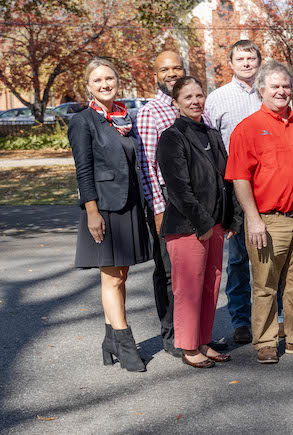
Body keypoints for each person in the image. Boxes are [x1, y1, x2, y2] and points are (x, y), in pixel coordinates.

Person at [225, 61, 293, 364]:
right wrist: (253, 219)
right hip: (268, 220)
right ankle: (266, 340)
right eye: (275, 86)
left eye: (286, 86)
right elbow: (240, 179)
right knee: (265, 284)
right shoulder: (247, 129)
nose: (282, 91)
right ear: (262, 89)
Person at [69, 57, 152, 372]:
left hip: (129, 204)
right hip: (102, 207)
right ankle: (125, 341)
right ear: (88, 86)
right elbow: (83, 170)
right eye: (97, 80)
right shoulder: (83, 120)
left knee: (121, 275)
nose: (104, 85)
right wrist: (91, 211)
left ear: (117, 81)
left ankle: (109, 340)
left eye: (109, 79)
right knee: (112, 277)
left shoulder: (124, 118)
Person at [156, 77, 240, 368]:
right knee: (189, 288)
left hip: (215, 224)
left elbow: (225, 179)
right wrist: (203, 223)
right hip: (187, 227)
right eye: (188, 96)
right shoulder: (171, 137)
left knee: (210, 286)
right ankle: (189, 347)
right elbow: (178, 188)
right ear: (176, 102)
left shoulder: (212, 134)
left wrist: (230, 218)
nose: (195, 101)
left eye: (199, 95)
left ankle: (203, 341)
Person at [204, 40, 263, 345]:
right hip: (234, 187)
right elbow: (211, 147)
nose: (246, 63)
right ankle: (241, 320)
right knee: (239, 258)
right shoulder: (217, 99)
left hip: (268, 185)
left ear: (258, 60)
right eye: (240, 58)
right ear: (231, 63)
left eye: (250, 57)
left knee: (271, 255)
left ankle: (273, 316)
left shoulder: (271, 92)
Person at [135, 50, 185, 357]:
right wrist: (158, 208)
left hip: (194, 201)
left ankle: (194, 332)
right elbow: (146, 165)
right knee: (168, 272)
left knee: (194, 270)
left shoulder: (195, 107)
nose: (172, 72)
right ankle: (172, 334)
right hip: (166, 202)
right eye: (165, 69)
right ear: (156, 75)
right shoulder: (150, 112)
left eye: (176, 67)